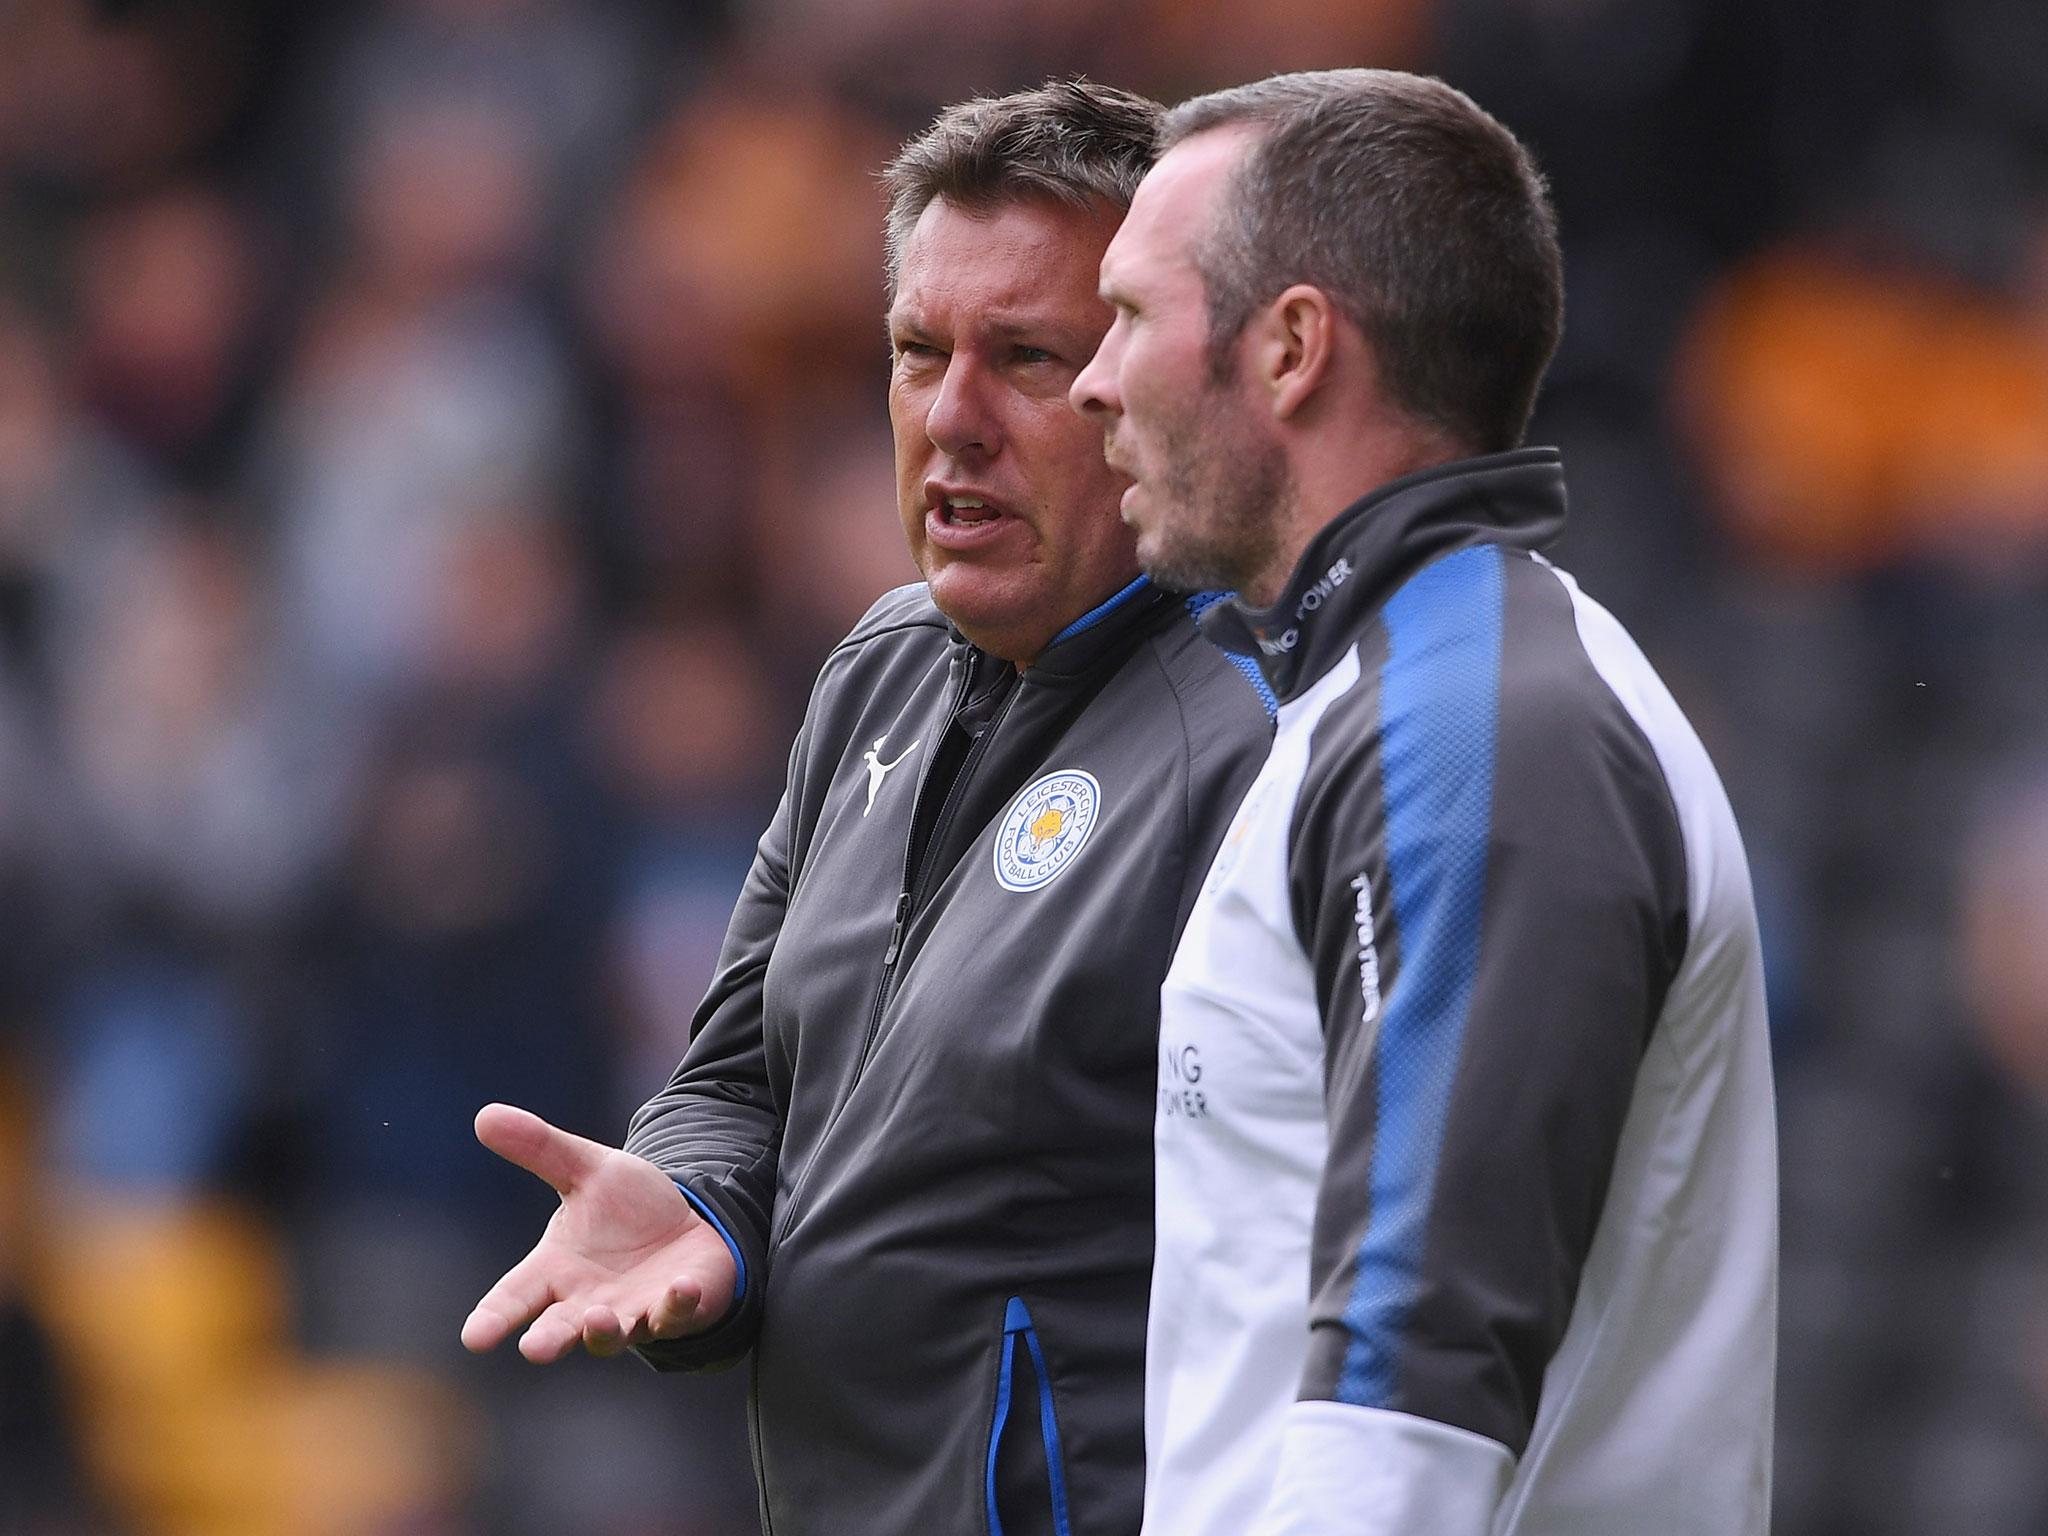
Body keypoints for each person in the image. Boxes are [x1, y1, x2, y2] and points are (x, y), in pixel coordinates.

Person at [460, 81, 1272, 1536]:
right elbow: (737, 1077)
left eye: (1026, 356)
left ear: (1164, 377)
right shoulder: (882, 672)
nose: (951, 419)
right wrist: (702, 1205)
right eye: (916, 354)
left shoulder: (1266, 731)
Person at [1070, 69, 1777, 1536]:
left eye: (1130, 314)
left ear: (1293, 349)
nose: (1090, 379)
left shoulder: (1464, 732)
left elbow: (1414, 1402)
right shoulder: (1404, 702)